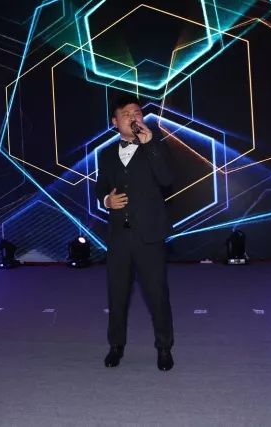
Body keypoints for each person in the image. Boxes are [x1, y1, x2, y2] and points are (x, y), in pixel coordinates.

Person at [95, 94, 175, 371]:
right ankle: (116, 346)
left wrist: (150, 144)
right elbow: (100, 187)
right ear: (114, 122)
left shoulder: (156, 145)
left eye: (137, 112)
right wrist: (107, 201)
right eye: (126, 114)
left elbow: (167, 179)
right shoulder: (106, 154)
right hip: (119, 236)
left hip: (149, 235)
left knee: (157, 294)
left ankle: (164, 347)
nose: (133, 117)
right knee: (117, 294)